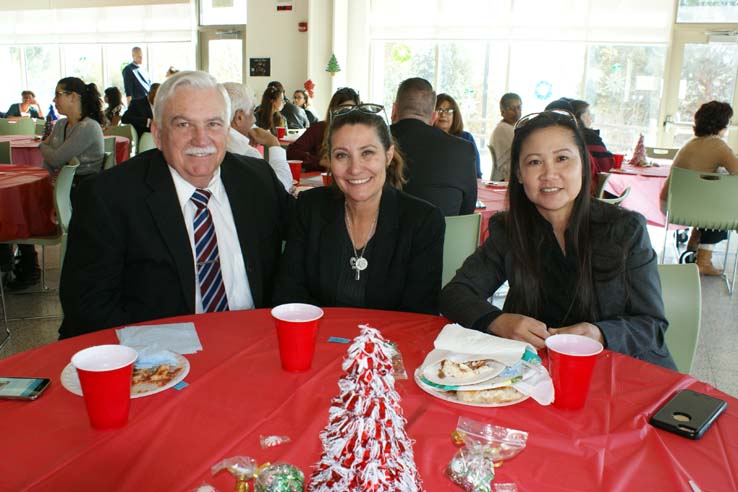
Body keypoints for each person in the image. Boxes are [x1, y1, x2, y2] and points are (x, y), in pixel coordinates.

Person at [58, 71, 293, 339]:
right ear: (157, 135)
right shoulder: (108, 198)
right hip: (158, 360)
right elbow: (89, 310)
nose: (201, 139)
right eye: (183, 124)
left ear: (227, 131)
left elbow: (305, 235)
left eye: (213, 124)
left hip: (252, 346)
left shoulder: (256, 180)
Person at [440, 110, 676, 370]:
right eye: (534, 162)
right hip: (539, 375)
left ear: (583, 165)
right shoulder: (509, 230)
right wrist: (498, 321)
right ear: (518, 174)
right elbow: (455, 293)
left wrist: (600, 333)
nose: (549, 174)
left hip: (619, 373)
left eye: (562, 158)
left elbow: (652, 326)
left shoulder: (625, 230)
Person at [274, 104, 445, 314]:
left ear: (388, 155)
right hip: (319, 341)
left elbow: (419, 315)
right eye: (342, 155)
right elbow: (289, 294)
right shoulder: (309, 208)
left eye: (367, 153)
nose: (354, 169)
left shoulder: (422, 221)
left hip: (390, 344)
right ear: (329, 160)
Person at [659, 100, 738, 276]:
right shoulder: (717, 144)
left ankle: (692, 248)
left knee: (708, 202)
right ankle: (703, 262)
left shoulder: (691, 143)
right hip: (690, 208)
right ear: (722, 124)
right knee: (724, 208)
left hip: (672, 205)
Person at [390, 77, 477, 216]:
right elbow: (467, 209)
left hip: (385, 235)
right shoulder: (464, 149)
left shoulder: (377, 142)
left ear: (394, 110)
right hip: (446, 236)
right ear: (434, 117)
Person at [223, 81, 293, 191]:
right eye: (251, 113)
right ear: (239, 117)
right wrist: (273, 143)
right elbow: (281, 186)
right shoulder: (244, 152)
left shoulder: (214, 143)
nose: (254, 119)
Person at [39, 77, 105, 191]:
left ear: (73, 97)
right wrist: (44, 186)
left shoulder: (89, 127)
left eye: (57, 94)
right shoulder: (60, 124)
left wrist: (41, 146)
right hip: (63, 186)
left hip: (83, 192)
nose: (54, 100)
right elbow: (48, 161)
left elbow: (56, 160)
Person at [286, 87, 360, 171]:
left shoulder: (362, 133)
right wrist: (320, 161)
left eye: (353, 109)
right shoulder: (319, 128)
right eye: (344, 109)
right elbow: (291, 152)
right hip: (322, 180)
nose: (348, 114)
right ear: (333, 110)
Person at [434, 93, 482, 178]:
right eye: (439, 110)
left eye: (448, 111)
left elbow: (476, 173)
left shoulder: (466, 138)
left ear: (455, 115)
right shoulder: (426, 138)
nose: (443, 115)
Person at [569, 99, 615, 173]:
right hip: (587, 182)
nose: (591, 119)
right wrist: (609, 154)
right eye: (589, 114)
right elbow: (605, 164)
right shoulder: (590, 137)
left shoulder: (564, 134)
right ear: (582, 117)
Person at [489, 93, 522, 181]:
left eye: (519, 107)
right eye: (511, 108)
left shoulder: (513, 127)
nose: (517, 111)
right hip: (507, 178)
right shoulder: (503, 129)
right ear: (502, 112)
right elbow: (523, 149)